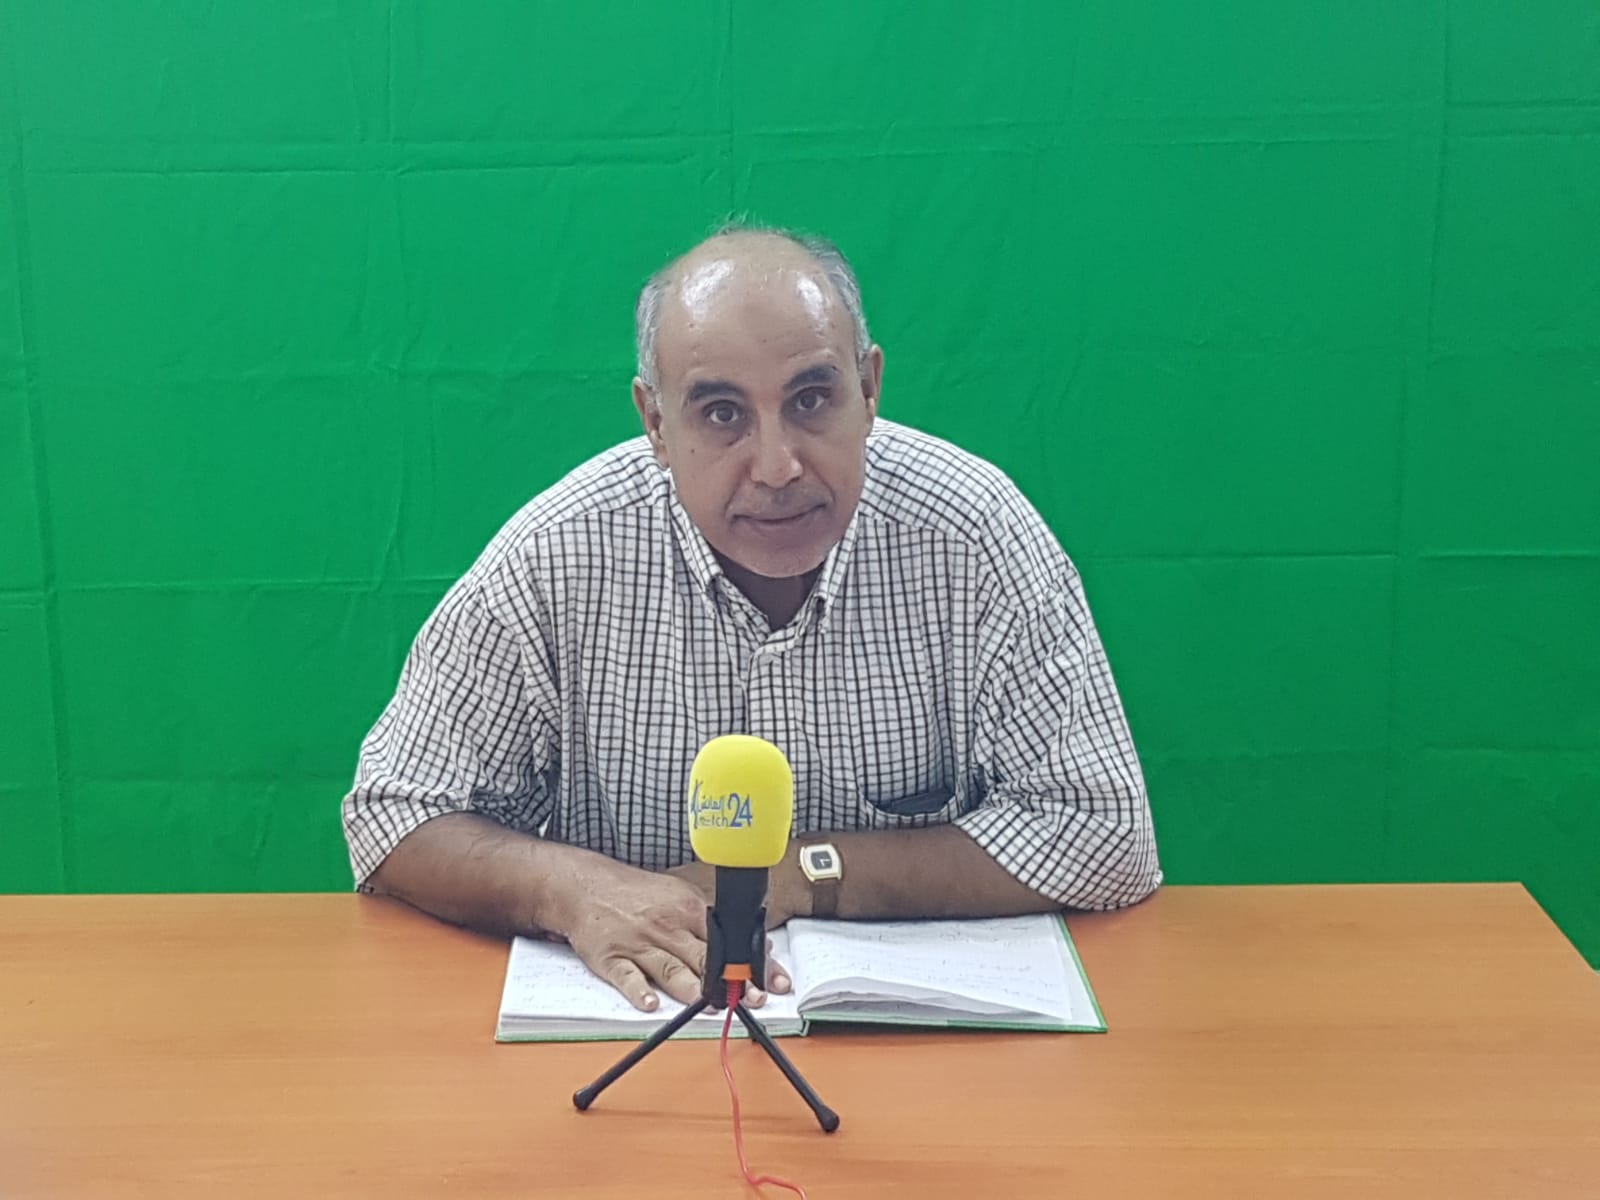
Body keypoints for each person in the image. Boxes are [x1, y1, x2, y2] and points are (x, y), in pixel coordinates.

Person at [342, 224, 1160, 1014]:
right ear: (656, 423)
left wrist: (801, 874)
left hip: (921, 1060)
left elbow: (1106, 834)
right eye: (722, 414)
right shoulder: (559, 553)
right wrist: (571, 890)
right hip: (647, 1040)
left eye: (812, 399)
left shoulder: (973, 534)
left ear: (869, 389)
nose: (777, 467)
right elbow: (391, 812)